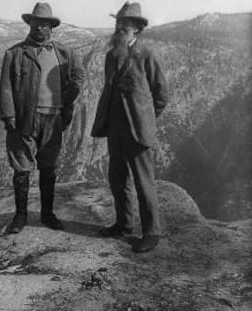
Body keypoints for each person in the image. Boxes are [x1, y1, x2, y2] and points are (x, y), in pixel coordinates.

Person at [0, 2, 84, 234]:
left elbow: (78, 76)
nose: (39, 28)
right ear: (30, 24)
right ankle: (20, 216)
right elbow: (5, 86)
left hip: (54, 118)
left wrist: (69, 96)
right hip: (24, 119)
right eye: (36, 23)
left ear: (51, 28)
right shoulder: (15, 54)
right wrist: (8, 115)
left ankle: (47, 214)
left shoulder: (65, 54)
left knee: (49, 167)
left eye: (44, 24)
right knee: (21, 168)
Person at [91, 2, 168, 252]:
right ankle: (124, 223)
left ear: (137, 29)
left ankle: (152, 232)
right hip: (115, 127)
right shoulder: (112, 56)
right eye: (119, 24)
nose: (120, 28)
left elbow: (161, 95)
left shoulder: (148, 54)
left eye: (126, 25)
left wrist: (146, 118)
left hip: (138, 129)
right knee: (117, 177)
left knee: (144, 181)